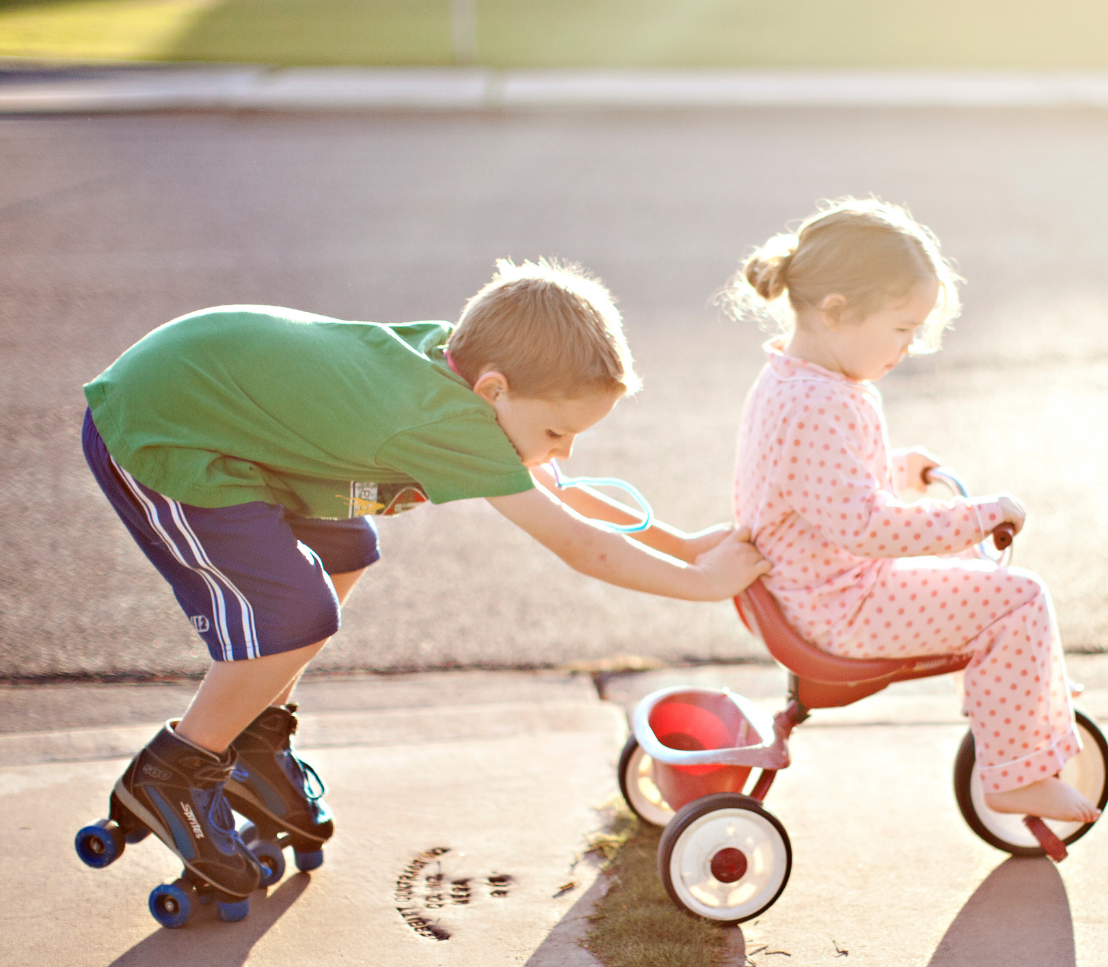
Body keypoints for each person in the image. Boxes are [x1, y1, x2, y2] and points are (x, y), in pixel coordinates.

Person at [80, 259, 769, 917]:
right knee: (293, 612)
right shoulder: (457, 425)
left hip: (225, 412)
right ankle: (178, 768)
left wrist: (682, 545)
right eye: (557, 431)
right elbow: (579, 544)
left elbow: (566, 496)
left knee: (347, 547)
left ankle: (252, 737)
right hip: (164, 427)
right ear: (494, 389)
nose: (562, 451)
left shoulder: (463, 372)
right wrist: (702, 585)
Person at [727, 199, 1100, 826]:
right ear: (836, 311)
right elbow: (867, 528)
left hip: (815, 587)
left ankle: (1017, 702)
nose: (911, 347)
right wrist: (975, 515)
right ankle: (1020, 773)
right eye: (902, 329)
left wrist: (895, 470)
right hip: (841, 608)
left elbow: (817, 487)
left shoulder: (795, 381)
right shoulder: (822, 403)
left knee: (976, 579)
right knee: (1019, 598)